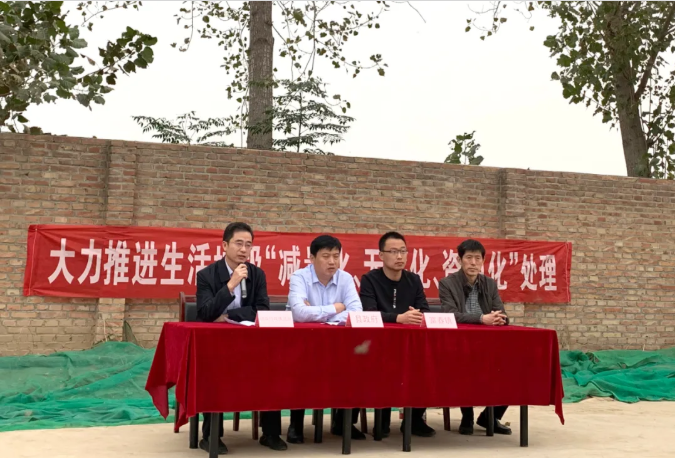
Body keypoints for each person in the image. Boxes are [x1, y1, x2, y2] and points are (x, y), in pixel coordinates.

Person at [195, 222, 287, 453]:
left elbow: (262, 310)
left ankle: (271, 433)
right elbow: (205, 313)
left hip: (251, 345)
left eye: (248, 245)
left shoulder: (257, 274)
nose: (244, 249)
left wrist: (227, 316)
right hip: (217, 348)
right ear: (225, 245)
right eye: (238, 243)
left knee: (274, 368)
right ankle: (210, 437)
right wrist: (231, 285)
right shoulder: (206, 275)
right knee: (212, 373)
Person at [285, 235, 365, 443]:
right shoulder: (299, 277)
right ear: (312, 258)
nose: (332, 262)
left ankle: (342, 423)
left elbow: (356, 311)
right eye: (326, 256)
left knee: (358, 364)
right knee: (300, 370)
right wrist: (336, 308)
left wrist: (317, 313)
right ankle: (296, 425)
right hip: (304, 345)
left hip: (338, 346)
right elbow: (299, 313)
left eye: (336, 256)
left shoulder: (345, 278)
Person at [359, 231, 435, 438]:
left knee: (426, 365)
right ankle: (381, 421)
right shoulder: (370, 279)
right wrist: (398, 318)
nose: (399, 256)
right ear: (381, 255)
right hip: (379, 344)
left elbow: (424, 310)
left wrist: (416, 314)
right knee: (383, 367)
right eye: (393, 252)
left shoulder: (414, 280)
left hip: (410, 345)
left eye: (403, 251)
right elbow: (369, 313)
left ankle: (414, 420)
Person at [438, 238, 511, 436]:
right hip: (458, 344)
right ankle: (467, 416)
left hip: (488, 343)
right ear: (459, 260)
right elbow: (449, 315)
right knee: (465, 365)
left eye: (477, 258)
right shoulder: (447, 283)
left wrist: (499, 319)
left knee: (514, 366)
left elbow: (501, 313)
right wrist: (481, 319)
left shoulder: (490, 284)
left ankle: (490, 416)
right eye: (468, 258)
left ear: (483, 261)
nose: (473, 263)